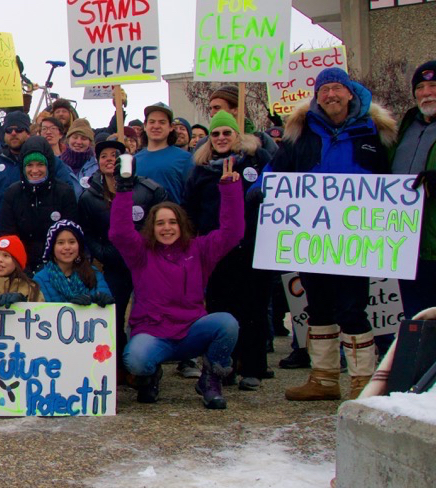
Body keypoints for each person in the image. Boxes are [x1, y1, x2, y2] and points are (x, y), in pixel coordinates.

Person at [269, 68, 396, 401]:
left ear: (350, 92)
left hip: (355, 240)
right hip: (312, 239)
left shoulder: (375, 132)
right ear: (317, 96)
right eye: (323, 90)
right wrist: (259, 189)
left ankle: (363, 381)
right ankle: (324, 378)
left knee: (351, 309)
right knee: (318, 307)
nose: (330, 96)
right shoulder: (302, 132)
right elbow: (276, 169)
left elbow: (395, 178)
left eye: (336, 88)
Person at [110, 159, 244, 409]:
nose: (167, 228)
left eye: (172, 222)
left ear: (181, 225)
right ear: (152, 227)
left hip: (191, 329)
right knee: (136, 360)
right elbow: (119, 233)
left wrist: (230, 190)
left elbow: (232, 233)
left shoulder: (200, 249)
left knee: (227, 323)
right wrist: (124, 189)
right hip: (153, 332)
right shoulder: (141, 253)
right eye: (160, 223)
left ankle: (210, 379)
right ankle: (150, 376)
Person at [184, 109, 272, 390]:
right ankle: (224, 364)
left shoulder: (256, 159)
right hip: (216, 249)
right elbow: (191, 209)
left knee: (254, 307)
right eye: (216, 133)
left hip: (252, 245)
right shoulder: (201, 169)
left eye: (227, 132)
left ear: (237, 134)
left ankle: (254, 366)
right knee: (221, 308)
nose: (221, 138)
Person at [78, 137, 167, 376]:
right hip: (114, 265)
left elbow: (163, 224)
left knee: (147, 317)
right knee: (112, 316)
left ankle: (147, 369)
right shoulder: (89, 196)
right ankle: (115, 368)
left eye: (115, 156)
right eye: (104, 156)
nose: (110, 160)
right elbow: (87, 232)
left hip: (145, 266)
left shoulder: (149, 190)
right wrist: (102, 252)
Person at [390, 60, 436, 318]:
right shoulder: (405, 127)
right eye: (420, 87)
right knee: (417, 319)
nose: (426, 92)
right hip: (408, 244)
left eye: (433, 85)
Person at [0, 137, 78, 269]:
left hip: (57, 265)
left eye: (40, 165)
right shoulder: (12, 194)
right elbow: (8, 235)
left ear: (48, 165)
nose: (34, 170)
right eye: (29, 165)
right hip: (22, 266)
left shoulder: (64, 193)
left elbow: (71, 234)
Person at [31, 221, 113, 306]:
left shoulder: (94, 273)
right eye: (60, 243)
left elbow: (107, 308)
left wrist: (103, 301)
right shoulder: (40, 279)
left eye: (72, 242)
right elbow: (42, 312)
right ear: (52, 248)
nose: (67, 247)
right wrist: (72, 306)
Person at [135, 102, 193, 203]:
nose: (156, 126)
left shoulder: (185, 159)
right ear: (145, 126)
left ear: (171, 127)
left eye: (162, 122)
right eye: (152, 122)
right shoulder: (134, 160)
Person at [207, 85, 279, 156]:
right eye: (210, 108)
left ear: (235, 109)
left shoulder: (262, 140)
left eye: (217, 108)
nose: (211, 114)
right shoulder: (206, 144)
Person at [59, 118, 98, 197]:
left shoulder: (97, 166)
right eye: (75, 137)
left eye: (84, 138)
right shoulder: (57, 164)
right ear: (68, 139)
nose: (79, 142)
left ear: (90, 142)